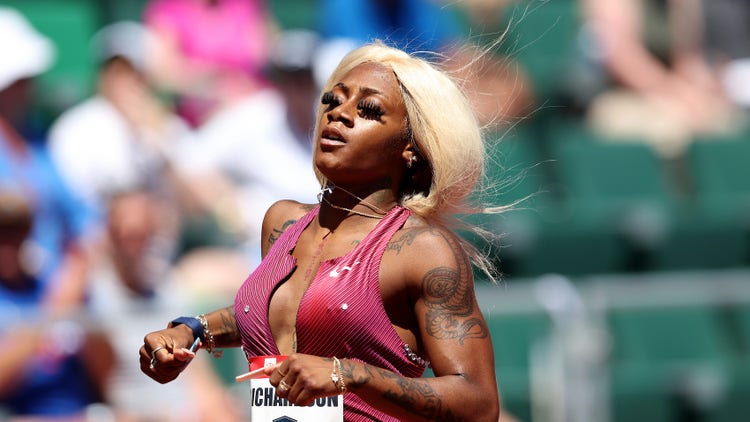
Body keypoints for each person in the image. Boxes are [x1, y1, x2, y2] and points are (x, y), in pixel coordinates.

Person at [139, 42, 502, 421]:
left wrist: (349, 375)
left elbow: (479, 404)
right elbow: (281, 312)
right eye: (332, 100)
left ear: (411, 146)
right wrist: (193, 330)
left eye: (369, 109)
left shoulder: (420, 248)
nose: (339, 113)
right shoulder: (282, 222)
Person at [0, 190, 114, 420]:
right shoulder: (61, 294)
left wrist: (79, 303)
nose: (7, 243)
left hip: (82, 411)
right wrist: (56, 310)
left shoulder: (52, 285)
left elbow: (108, 375)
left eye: (15, 231)